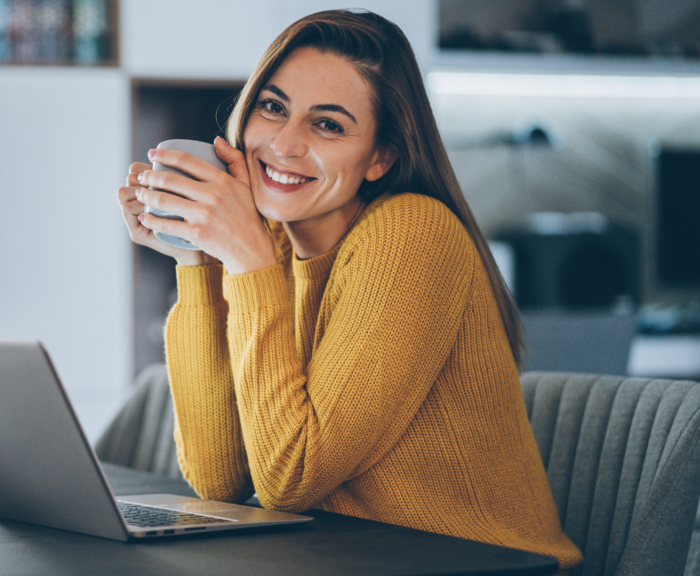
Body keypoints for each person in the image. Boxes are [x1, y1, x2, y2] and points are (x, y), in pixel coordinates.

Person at [116, 9, 582, 572]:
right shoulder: (276, 251)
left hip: (484, 567)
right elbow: (220, 479)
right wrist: (196, 262)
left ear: (380, 156)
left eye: (328, 125)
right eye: (273, 107)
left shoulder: (413, 233)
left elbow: (290, 477)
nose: (283, 145)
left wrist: (245, 259)